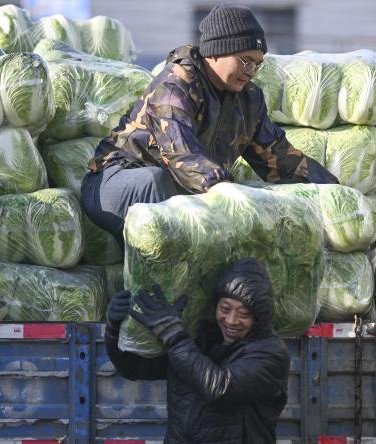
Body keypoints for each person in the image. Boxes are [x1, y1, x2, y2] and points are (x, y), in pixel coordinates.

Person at [81, 4, 338, 247]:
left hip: (181, 189)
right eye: (245, 60)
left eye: (258, 64)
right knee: (156, 183)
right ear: (215, 51)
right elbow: (180, 151)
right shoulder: (175, 84)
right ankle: (145, 293)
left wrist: (333, 192)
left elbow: (280, 160)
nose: (251, 71)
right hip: (114, 183)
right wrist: (224, 189)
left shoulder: (248, 101)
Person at [104, 257, 290, 443]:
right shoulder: (200, 340)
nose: (232, 320)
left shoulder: (271, 354)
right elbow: (134, 368)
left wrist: (172, 334)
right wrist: (113, 329)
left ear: (259, 317)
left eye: (244, 314)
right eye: (225, 308)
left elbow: (220, 387)